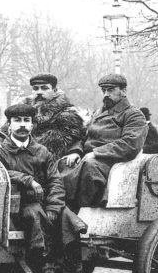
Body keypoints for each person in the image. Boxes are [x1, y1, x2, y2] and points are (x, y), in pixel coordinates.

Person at [0, 103, 97, 273]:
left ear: (32, 125)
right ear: (9, 125)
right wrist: (27, 179)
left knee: (68, 220)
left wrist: (54, 207)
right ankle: (47, 266)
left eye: (26, 121)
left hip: (44, 202)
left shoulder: (42, 151)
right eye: (17, 121)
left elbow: (55, 181)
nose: (22, 125)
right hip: (18, 205)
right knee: (35, 214)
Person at [63, 73, 147, 208]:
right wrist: (76, 151)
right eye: (104, 90)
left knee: (90, 167)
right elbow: (84, 136)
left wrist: (96, 152)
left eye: (111, 90)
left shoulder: (133, 114)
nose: (106, 94)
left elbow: (131, 144)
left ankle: (80, 210)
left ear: (123, 91)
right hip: (89, 158)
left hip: (112, 162)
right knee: (63, 163)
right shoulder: (98, 112)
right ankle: (61, 208)